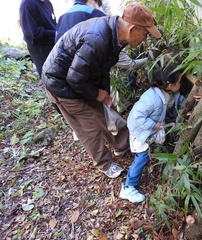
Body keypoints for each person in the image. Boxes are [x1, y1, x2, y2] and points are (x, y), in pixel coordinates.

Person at [41, 2, 161, 178]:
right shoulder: (97, 39)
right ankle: (104, 163)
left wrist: (104, 92)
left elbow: (104, 67)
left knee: (105, 112)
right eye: (145, 34)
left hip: (82, 79)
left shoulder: (115, 35)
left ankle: (122, 145)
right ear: (132, 29)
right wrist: (96, 93)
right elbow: (74, 78)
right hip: (60, 84)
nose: (145, 39)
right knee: (90, 126)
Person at [119, 63, 184, 203]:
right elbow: (136, 116)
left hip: (151, 129)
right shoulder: (152, 99)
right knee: (142, 157)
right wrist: (153, 125)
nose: (181, 84)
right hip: (141, 131)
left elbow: (178, 100)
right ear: (169, 86)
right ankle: (128, 187)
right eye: (179, 82)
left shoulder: (170, 93)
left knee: (147, 153)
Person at [19, 0, 56, 78]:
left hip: (53, 43)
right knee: (48, 77)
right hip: (39, 47)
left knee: (57, 75)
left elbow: (52, 23)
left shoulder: (47, 3)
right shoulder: (27, 4)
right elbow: (33, 32)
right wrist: (55, 33)